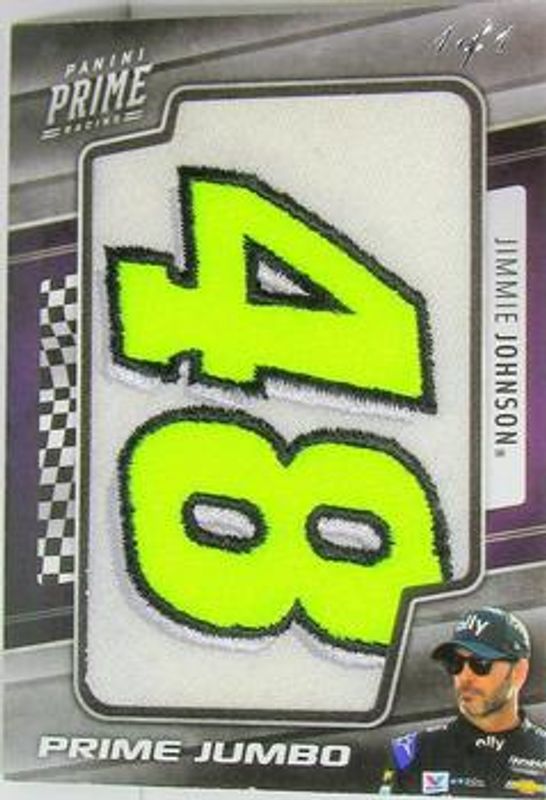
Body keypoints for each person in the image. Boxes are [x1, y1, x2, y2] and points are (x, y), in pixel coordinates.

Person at [380, 606, 546, 796]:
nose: (465, 677)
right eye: (455, 663)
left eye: (480, 663)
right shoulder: (410, 754)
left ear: (518, 672)